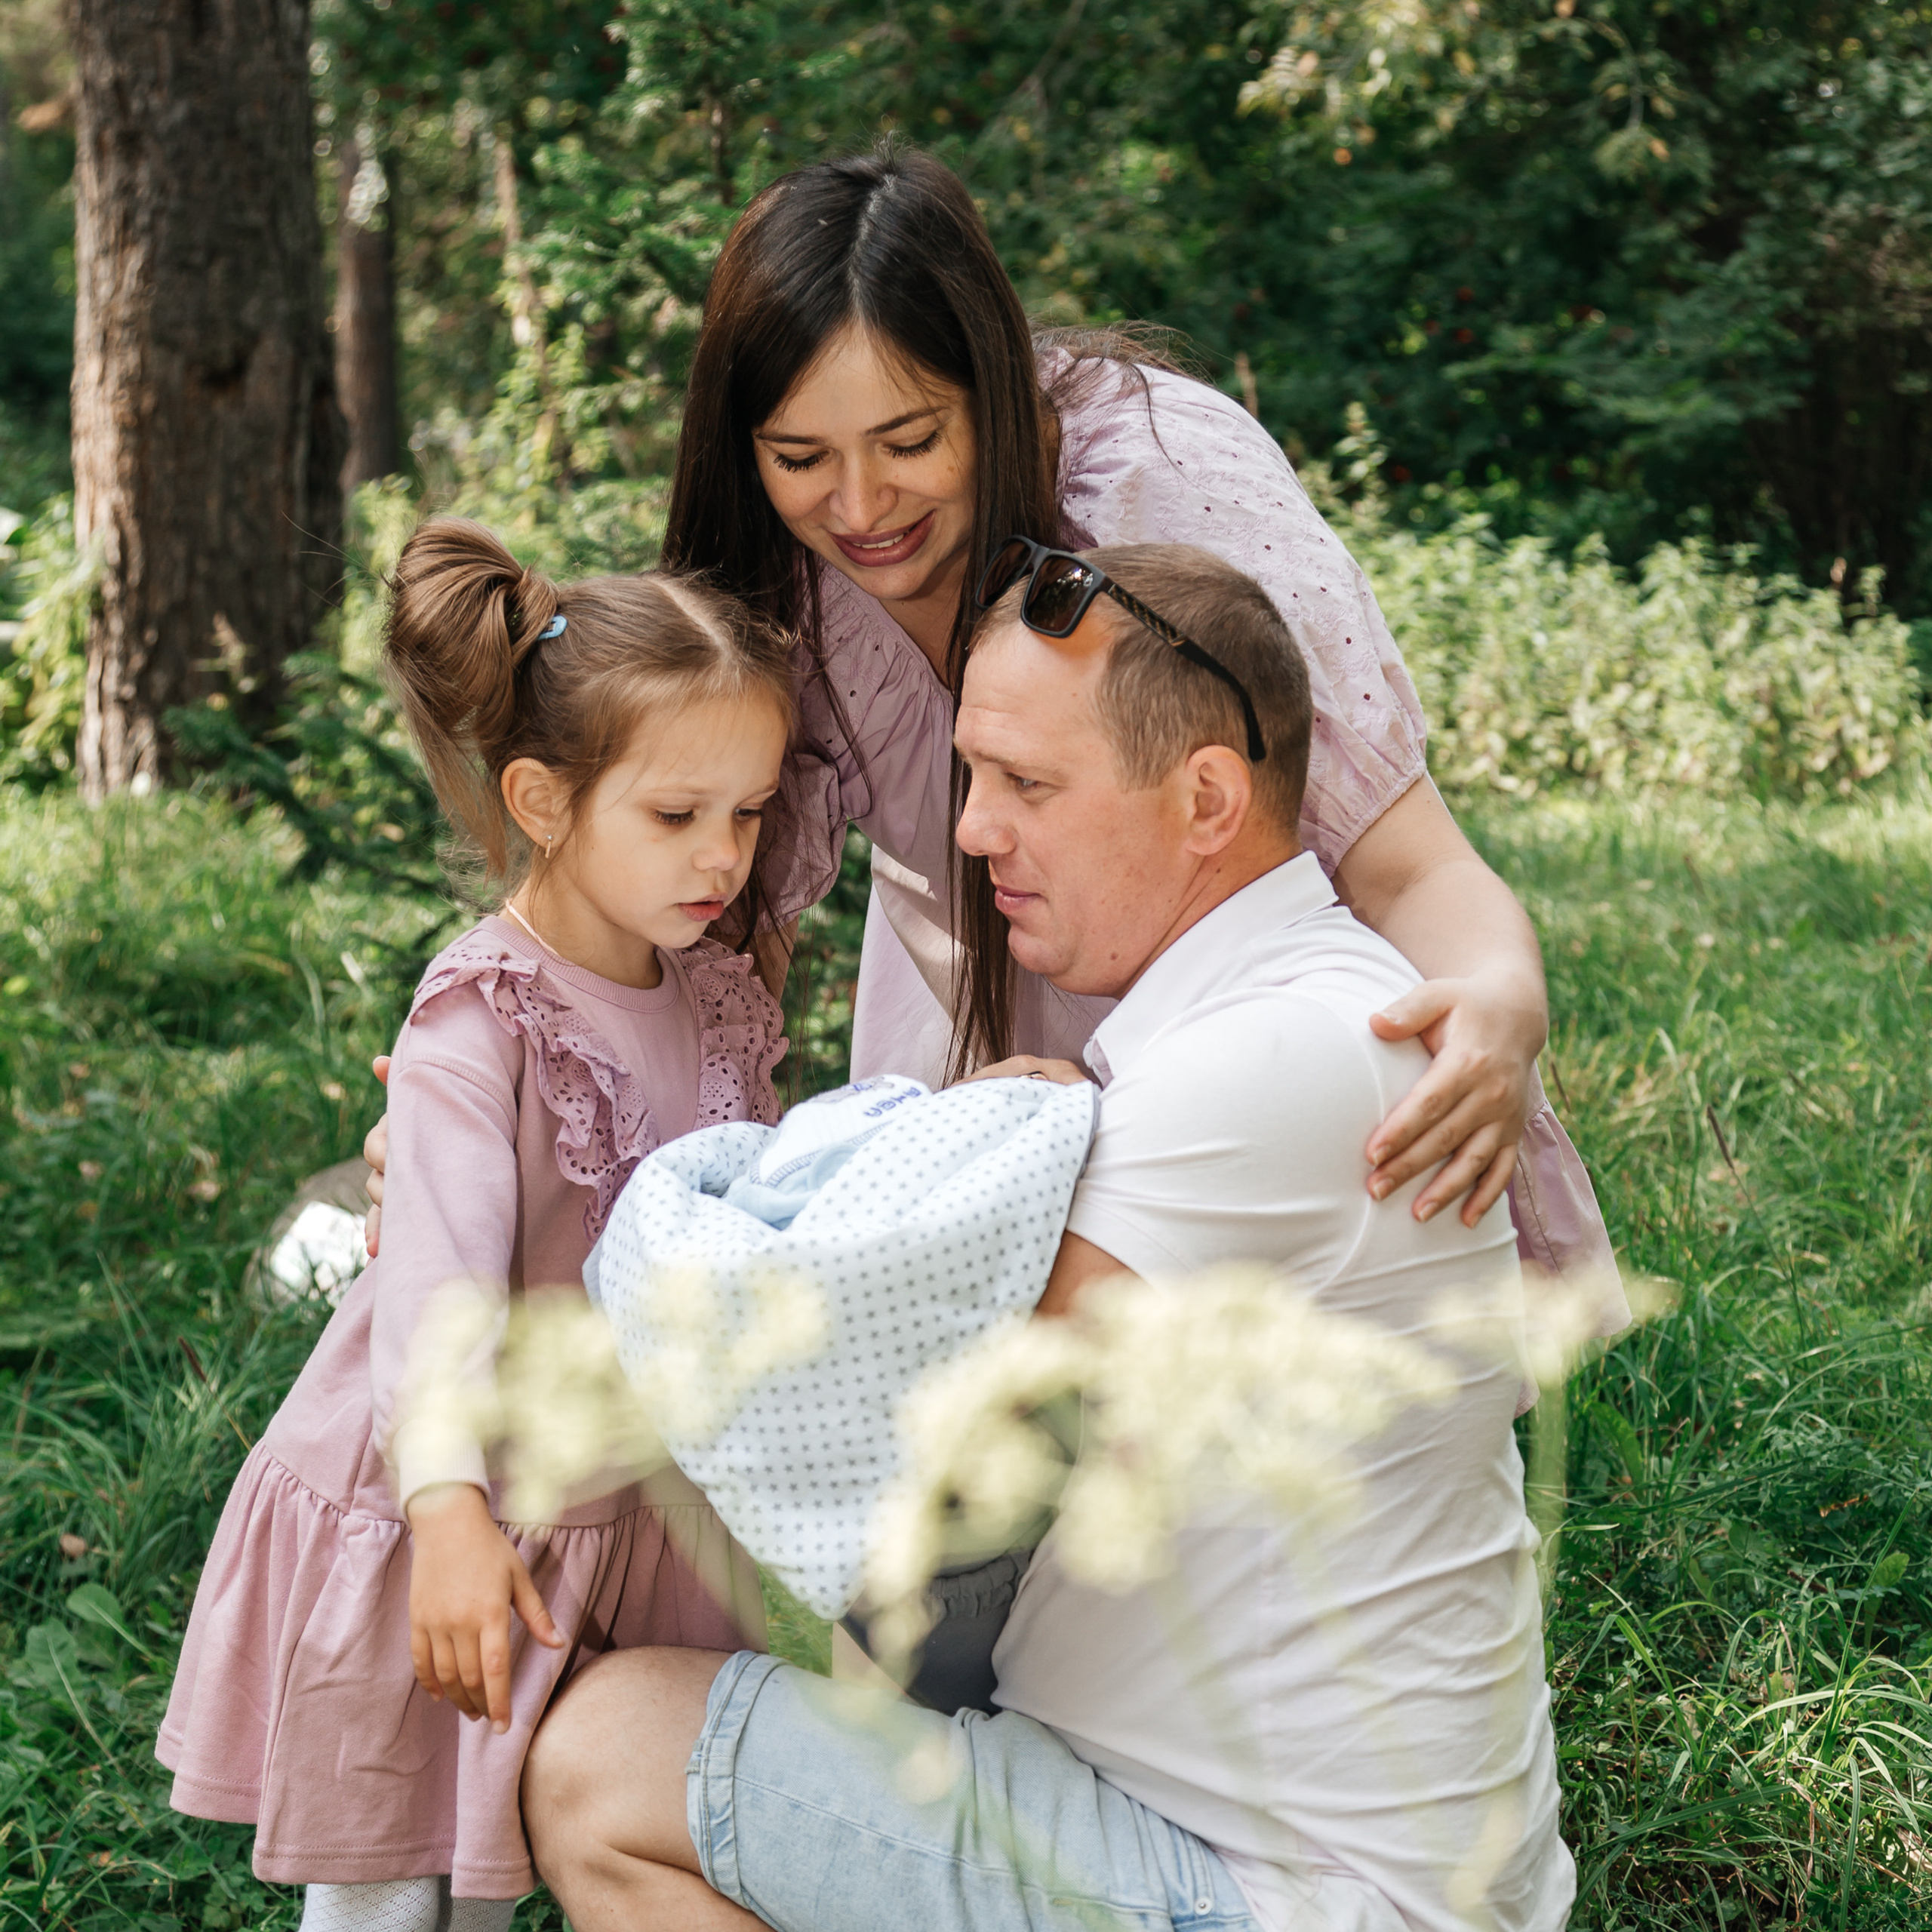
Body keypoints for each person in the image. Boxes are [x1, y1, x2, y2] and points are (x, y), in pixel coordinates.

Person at [515, 541, 1572, 1932]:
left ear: (1207, 798)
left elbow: (853, 1387)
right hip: (1217, 1825)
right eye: (973, 775)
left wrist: (532, 1183)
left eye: (1027, 785)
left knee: (606, 1758)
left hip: (1282, 1889)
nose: (971, 830)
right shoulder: (1258, 1013)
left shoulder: (1277, 1059)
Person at [363, 143, 1620, 1309]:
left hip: (1244, 1054)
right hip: (981, 1042)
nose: (860, 508)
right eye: (801, 458)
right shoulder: (774, 590)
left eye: (910, 440)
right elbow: (704, 926)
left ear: (1000, 391)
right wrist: (488, 1105)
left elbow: (1408, 858)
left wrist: (1502, 999)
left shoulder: (1159, 493)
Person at [155, 519, 792, 1930]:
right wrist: (444, 1511)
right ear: (544, 801)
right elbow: (438, 1285)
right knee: (397, 1869)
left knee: (552, 1818)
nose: (724, 857)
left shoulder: (715, 994)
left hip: (624, 1493)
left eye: (746, 814)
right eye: (677, 816)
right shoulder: (481, 1014)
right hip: (454, 1491)